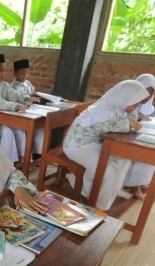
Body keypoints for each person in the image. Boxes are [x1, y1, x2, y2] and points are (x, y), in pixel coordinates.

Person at [63, 80, 149, 210]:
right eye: (135, 103)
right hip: (78, 144)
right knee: (105, 170)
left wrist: (130, 118)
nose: (137, 106)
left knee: (124, 160)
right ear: (124, 99)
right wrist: (127, 123)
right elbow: (100, 128)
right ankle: (90, 196)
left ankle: (101, 199)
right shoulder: (104, 107)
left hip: (95, 143)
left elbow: (129, 117)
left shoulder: (119, 106)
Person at [0, 54, 39, 162]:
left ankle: (23, 159)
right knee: (7, 132)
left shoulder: (4, 85)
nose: (4, 74)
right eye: (1, 70)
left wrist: (27, 98)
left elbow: (14, 95)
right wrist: (14, 105)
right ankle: (8, 162)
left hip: (0, 119)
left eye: (5, 71)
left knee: (20, 129)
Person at [10, 59, 45, 160]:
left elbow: (33, 92)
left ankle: (38, 154)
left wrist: (35, 96)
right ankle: (22, 158)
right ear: (14, 73)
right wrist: (27, 98)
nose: (25, 76)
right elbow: (16, 101)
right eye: (22, 73)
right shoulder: (12, 88)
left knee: (41, 128)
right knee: (24, 131)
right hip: (22, 113)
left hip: (33, 110)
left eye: (27, 73)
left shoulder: (27, 83)